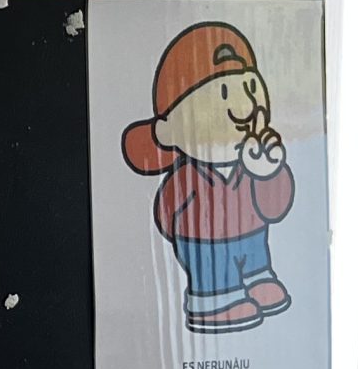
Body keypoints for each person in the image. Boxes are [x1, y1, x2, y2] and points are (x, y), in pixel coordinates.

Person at [121, 22, 296, 334]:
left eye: (251, 88)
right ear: (168, 130)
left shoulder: (253, 165)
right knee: (214, 270)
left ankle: (257, 277)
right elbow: (167, 213)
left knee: (256, 254)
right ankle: (214, 298)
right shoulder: (189, 175)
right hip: (204, 244)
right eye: (225, 93)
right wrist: (182, 229)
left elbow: (274, 208)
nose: (246, 108)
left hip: (252, 237)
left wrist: (269, 173)